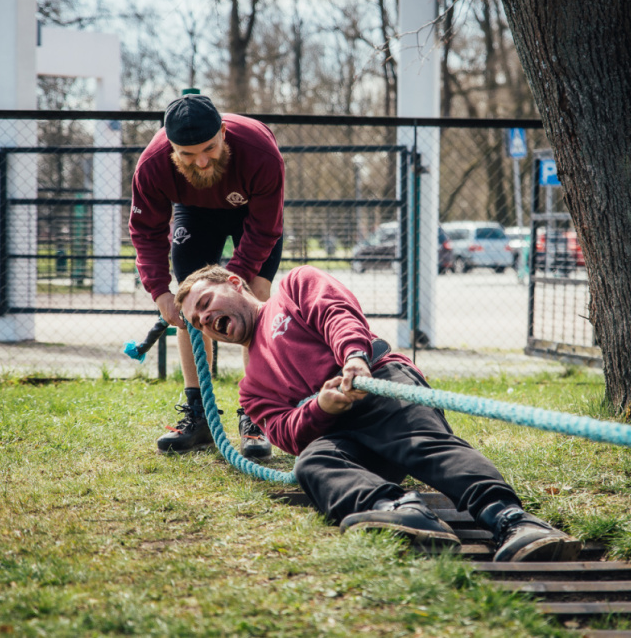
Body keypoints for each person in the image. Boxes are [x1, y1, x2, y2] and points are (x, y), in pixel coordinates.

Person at [175, 264, 583, 562]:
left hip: (380, 384)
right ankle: (400, 511)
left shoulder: (294, 287)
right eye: (198, 320)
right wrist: (320, 407)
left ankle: (512, 520)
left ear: (235, 283)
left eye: (207, 303)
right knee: (313, 463)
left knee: (422, 444)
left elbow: (336, 313)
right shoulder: (251, 387)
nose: (206, 319)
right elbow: (285, 433)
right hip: (338, 430)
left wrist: (354, 358)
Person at [130, 93, 281, 460]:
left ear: (224, 132)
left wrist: (234, 284)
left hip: (250, 213)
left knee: (256, 295)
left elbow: (265, 229)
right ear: (171, 148)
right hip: (195, 211)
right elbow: (146, 232)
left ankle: (256, 413)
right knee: (190, 305)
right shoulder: (151, 165)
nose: (201, 161)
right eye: (187, 154)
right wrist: (160, 293)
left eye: (210, 148)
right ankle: (199, 415)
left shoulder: (260, 152)